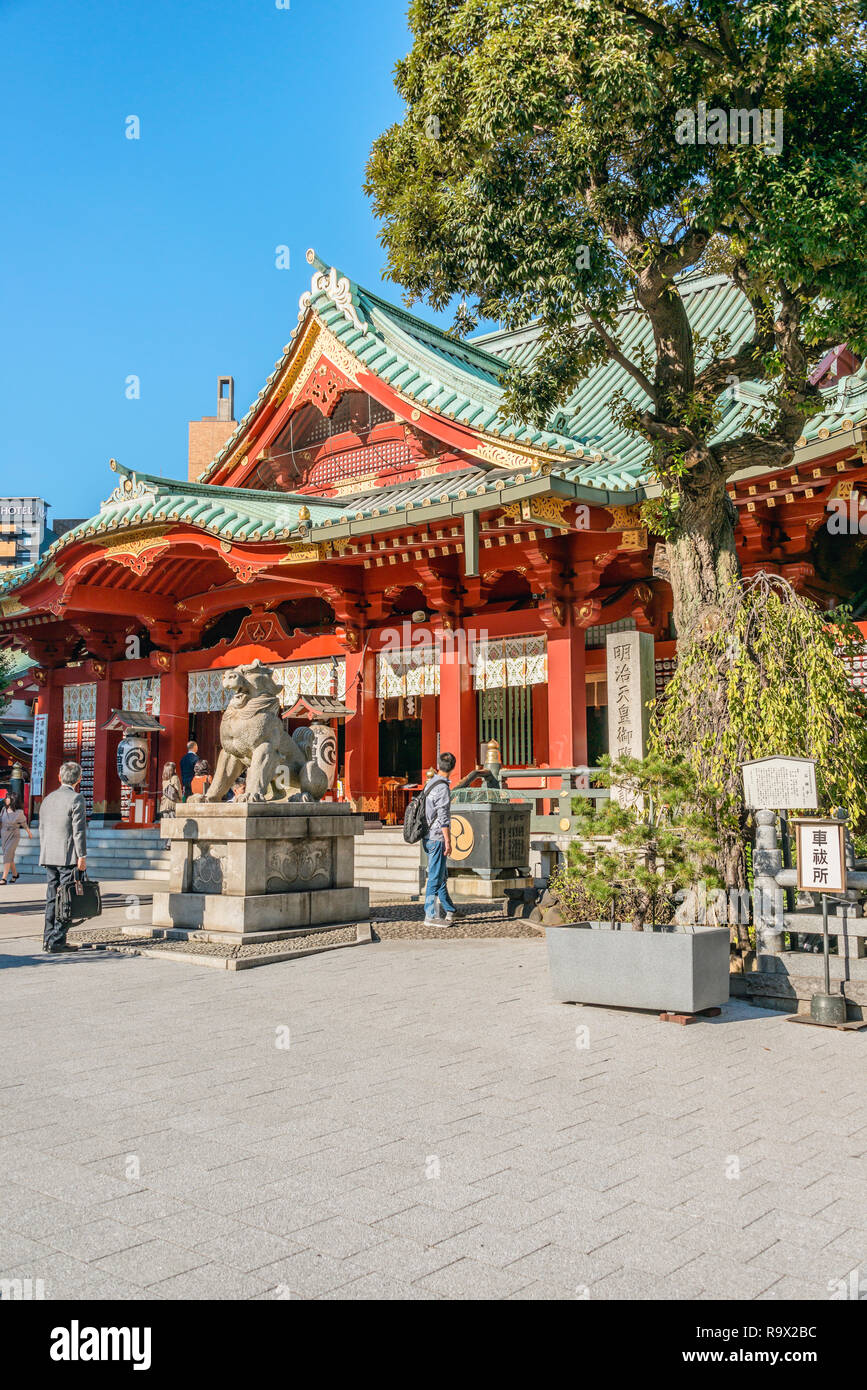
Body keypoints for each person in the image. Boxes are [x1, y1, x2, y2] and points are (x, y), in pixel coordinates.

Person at [38, 761, 87, 954]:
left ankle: (48, 938)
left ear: (60, 777)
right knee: (66, 899)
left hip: (49, 853)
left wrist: (45, 849)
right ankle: (57, 940)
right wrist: (81, 855)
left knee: (51, 897)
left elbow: (42, 827)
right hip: (67, 855)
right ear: (79, 779)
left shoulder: (48, 798)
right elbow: (79, 831)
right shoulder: (76, 799)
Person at [422, 751, 459, 928]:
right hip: (437, 837)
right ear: (453, 767)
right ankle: (430, 915)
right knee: (436, 877)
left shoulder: (429, 783)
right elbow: (443, 816)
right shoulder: (443, 787)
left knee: (441, 873)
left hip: (427, 834)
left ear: (438, 765)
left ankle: (449, 908)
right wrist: (448, 840)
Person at [1, 791, 32, 883]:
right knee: (9, 856)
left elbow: (24, 823)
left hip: (14, 835)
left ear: (13, 800)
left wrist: (29, 833)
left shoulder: (19, 812)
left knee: (7, 855)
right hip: (4, 835)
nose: (6, 799)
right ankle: (15, 874)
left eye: (8, 798)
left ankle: (4, 878)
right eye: (6, 798)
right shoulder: (3, 809)